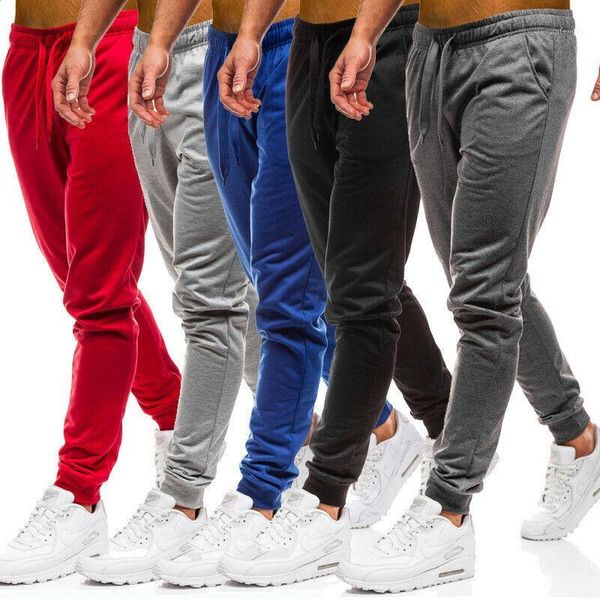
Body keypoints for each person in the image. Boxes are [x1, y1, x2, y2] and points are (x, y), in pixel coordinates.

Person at [125, 0, 439, 588]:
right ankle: (385, 429)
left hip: (296, 40)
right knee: (275, 289)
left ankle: (263, 492)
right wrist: (164, 39)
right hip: (224, 48)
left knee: (290, 303)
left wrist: (256, 31)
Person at [327, 0, 600, 592]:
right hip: (430, 50)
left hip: (520, 47)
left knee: (484, 298)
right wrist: (366, 32)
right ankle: (579, 439)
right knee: (483, 283)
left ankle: (447, 510)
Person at [204, 0, 460, 587]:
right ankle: (441, 422)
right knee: (341, 286)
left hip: (385, 39)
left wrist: (367, 31)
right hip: (305, 43)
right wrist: (251, 32)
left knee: (360, 297)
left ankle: (324, 500)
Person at [47, 0, 264, 585]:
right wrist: (87, 41)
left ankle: (183, 497)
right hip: (148, 57)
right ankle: (330, 436)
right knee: (213, 296)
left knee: (210, 303)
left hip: (217, 51)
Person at [0, 0, 182, 585]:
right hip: (26, 54)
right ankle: (177, 416)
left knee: (99, 295)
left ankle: (78, 494)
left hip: (111, 45)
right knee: (81, 283)